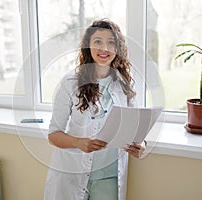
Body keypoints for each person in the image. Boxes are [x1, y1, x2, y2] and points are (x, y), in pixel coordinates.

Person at [44, 19, 146, 200]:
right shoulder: (70, 82)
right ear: (87, 46)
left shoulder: (125, 84)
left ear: (118, 48)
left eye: (111, 42)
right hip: (72, 173)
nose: (104, 48)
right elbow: (53, 135)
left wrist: (140, 145)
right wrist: (79, 143)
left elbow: (135, 127)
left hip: (109, 178)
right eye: (97, 41)